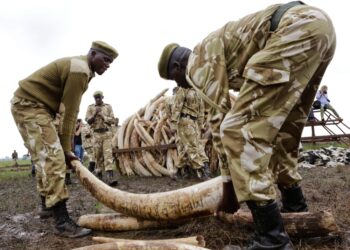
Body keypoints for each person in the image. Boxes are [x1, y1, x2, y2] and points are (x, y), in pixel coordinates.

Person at [158, 1, 335, 249]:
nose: (180, 85)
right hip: (319, 27)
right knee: (284, 132)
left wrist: (229, 190)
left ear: (177, 67)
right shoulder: (218, 47)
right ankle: (296, 208)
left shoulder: (197, 61)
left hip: (295, 28)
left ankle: (271, 239)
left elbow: (222, 123)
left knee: (238, 131)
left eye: (175, 79)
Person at [11, 40, 118, 238]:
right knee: (54, 158)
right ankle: (62, 222)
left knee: (45, 157)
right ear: (92, 54)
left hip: (33, 106)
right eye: (105, 59)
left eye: (110, 62)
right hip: (31, 105)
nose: (107, 65)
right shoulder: (80, 71)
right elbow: (70, 113)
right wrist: (67, 149)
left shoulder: (82, 69)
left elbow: (64, 113)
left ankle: (47, 206)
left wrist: (64, 147)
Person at [165, 86, 210, 180]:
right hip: (184, 121)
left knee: (186, 148)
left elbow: (201, 112)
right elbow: (177, 107)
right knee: (191, 147)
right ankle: (202, 171)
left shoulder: (198, 94)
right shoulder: (183, 90)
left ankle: (177, 172)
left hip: (193, 123)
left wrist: (200, 126)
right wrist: (173, 124)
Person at [85, 90, 118, 186]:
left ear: (102, 97)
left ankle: (110, 178)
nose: (97, 99)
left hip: (106, 134)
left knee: (108, 155)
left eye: (99, 97)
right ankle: (99, 176)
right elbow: (88, 121)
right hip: (96, 135)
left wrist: (103, 117)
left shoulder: (108, 107)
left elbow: (112, 120)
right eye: (96, 97)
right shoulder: (90, 108)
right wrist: (95, 114)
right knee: (97, 156)